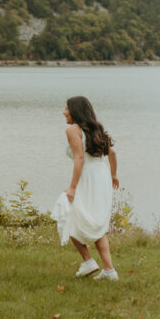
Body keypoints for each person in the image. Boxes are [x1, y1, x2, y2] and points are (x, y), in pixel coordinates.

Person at [52, 95, 119, 280]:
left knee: (67, 213)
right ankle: (109, 271)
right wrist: (113, 175)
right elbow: (112, 153)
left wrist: (72, 187)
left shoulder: (73, 130)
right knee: (94, 222)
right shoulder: (96, 129)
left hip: (87, 176)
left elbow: (79, 158)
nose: (64, 112)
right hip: (102, 175)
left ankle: (88, 261)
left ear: (75, 111)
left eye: (66, 108)